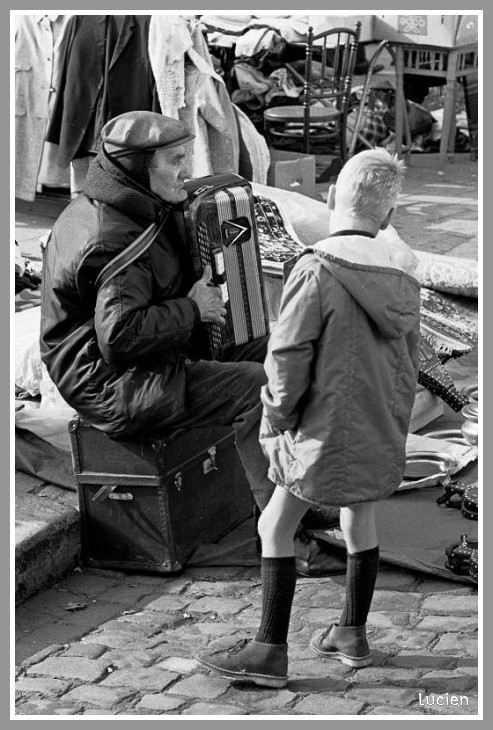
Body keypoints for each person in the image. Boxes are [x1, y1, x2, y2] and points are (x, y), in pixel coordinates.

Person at [198, 149, 421, 688]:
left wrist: (274, 420)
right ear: (388, 218)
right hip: (378, 428)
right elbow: (409, 365)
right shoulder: (405, 278)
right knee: (359, 521)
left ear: (328, 199)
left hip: (319, 434)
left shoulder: (316, 269)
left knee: (273, 525)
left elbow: (287, 356)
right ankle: (352, 632)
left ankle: (269, 650)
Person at [40, 110, 274, 510]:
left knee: (279, 350)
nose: (186, 171)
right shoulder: (109, 239)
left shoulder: (131, 202)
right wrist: (192, 308)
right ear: (137, 167)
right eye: (175, 161)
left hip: (149, 361)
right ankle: (281, 532)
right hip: (113, 384)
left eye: (187, 157)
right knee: (258, 385)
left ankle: (299, 490)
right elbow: (120, 337)